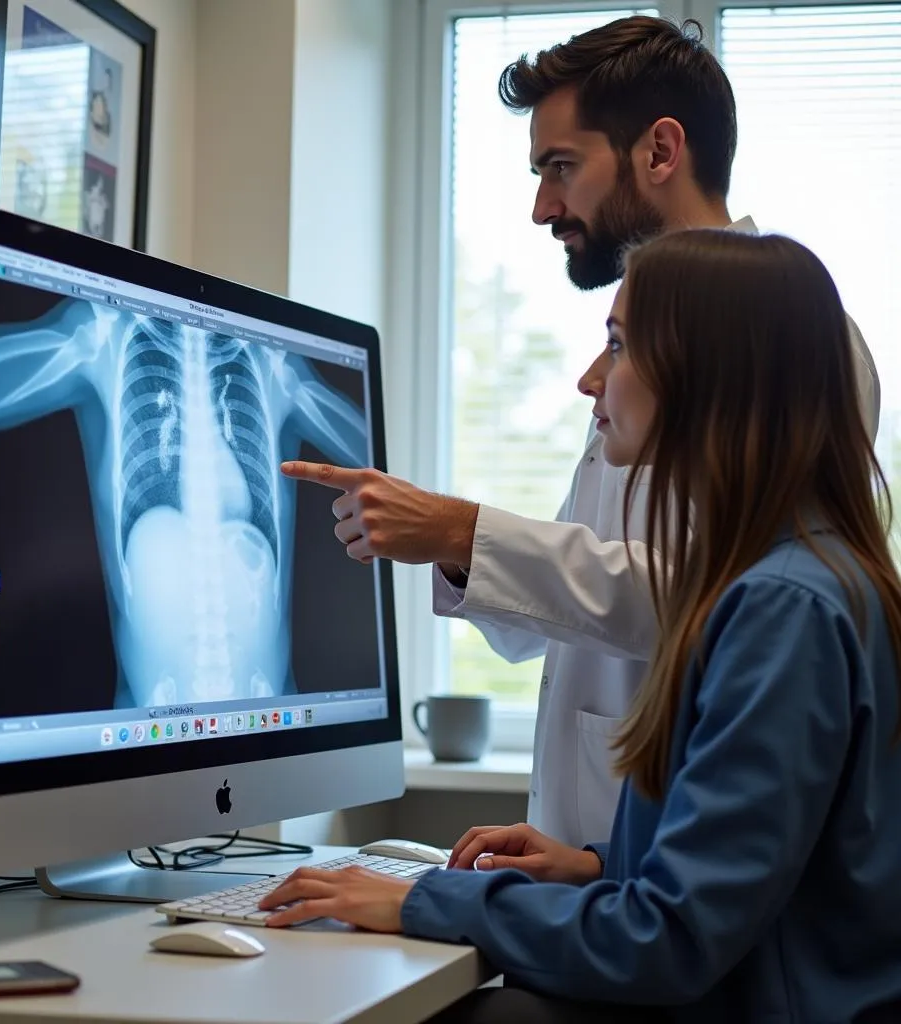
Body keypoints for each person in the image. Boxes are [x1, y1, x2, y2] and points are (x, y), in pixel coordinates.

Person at [263, 230, 901, 1023]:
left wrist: (428, 900)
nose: (589, 377)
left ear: (712, 379)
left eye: (619, 345)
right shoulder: (812, 571)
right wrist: (597, 865)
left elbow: (668, 940)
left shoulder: (782, 608)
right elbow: (765, 871)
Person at [280, 15, 880, 849]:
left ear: (660, 152)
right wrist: (450, 546)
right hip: (597, 867)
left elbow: (745, 605)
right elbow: (567, 599)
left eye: (561, 167)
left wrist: (464, 527)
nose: (541, 207)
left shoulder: (796, 345)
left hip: (676, 889)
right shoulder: (638, 353)